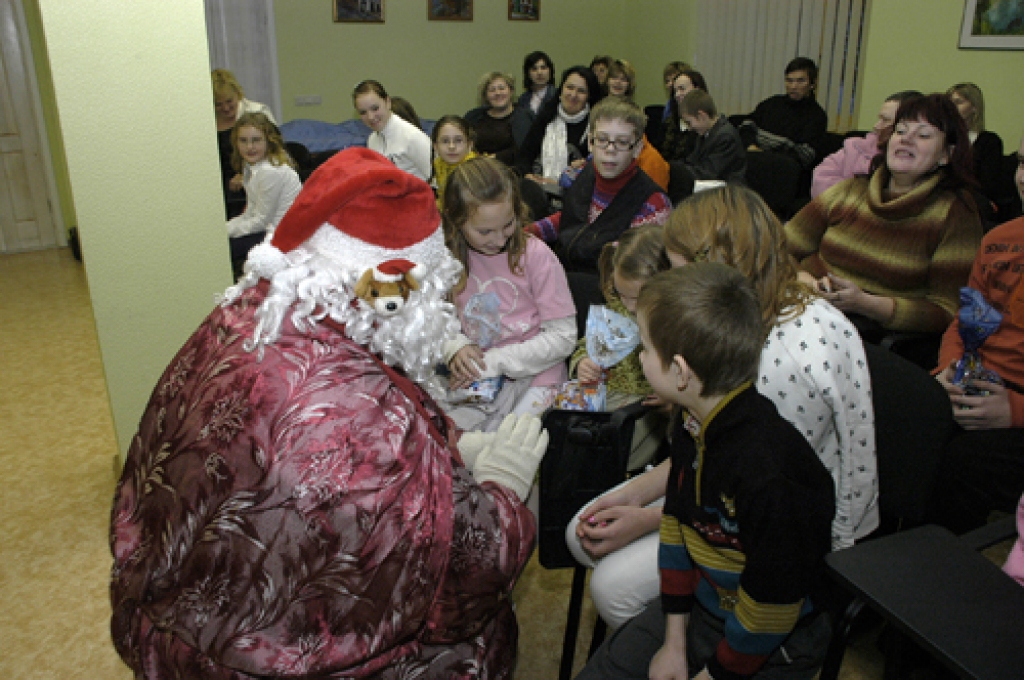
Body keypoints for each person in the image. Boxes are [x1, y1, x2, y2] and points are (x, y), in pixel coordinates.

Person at [110, 147, 548, 678]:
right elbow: (456, 578)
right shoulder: (362, 422)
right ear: (395, 286)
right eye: (430, 292)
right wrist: (503, 488)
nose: (436, 310)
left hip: (170, 624)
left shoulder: (245, 319)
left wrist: (447, 443)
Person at [567, 186, 876, 629]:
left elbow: (760, 497)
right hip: (712, 492)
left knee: (611, 588)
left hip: (761, 531)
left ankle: (695, 641)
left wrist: (648, 517)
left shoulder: (790, 359)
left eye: (675, 270)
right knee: (580, 531)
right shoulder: (727, 324)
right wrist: (632, 495)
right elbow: (701, 444)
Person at [578, 262, 836, 680]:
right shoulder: (691, 419)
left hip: (775, 641)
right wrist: (674, 641)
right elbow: (679, 524)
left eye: (644, 347)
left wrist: (715, 673)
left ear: (680, 371)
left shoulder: (771, 475)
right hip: (705, 607)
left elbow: (770, 609)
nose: (639, 355)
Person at [786, 93, 984, 347]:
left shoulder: (956, 214)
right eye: (900, 131)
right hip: (805, 308)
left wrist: (867, 304)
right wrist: (807, 282)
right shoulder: (849, 191)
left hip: (867, 338)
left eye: (923, 135)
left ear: (946, 154)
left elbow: (947, 311)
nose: (907, 139)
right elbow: (780, 248)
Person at [929, 134, 1024, 536]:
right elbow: (967, 323)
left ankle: (940, 574)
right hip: (979, 382)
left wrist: (1015, 411)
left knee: (961, 462)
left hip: (1016, 405)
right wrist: (951, 367)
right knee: (903, 421)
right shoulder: (1001, 239)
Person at [440, 156, 576, 433]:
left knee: (507, 446)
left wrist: (497, 361)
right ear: (456, 222)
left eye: (508, 225)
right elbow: (435, 319)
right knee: (443, 435)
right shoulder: (448, 259)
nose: (500, 239)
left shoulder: (536, 256)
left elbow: (563, 337)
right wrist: (455, 345)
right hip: (481, 378)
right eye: (485, 231)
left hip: (539, 375)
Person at [526, 97, 671, 275]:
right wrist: (527, 233)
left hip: (609, 287)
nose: (610, 149)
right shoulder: (583, 175)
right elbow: (570, 218)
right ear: (590, 142)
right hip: (565, 275)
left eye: (622, 142)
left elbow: (634, 271)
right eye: (602, 139)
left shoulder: (653, 204)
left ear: (637, 148)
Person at [570, 224, 671, 469]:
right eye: (621, 293)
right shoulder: (617, 309)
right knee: (564, 423)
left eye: (635, 298)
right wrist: (582, 363)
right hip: (603, 393)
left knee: (628, 436)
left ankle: (613, 473)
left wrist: (669, 397)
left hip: (644, 406)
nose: (629, 305)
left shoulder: (671, 323)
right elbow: (586, 345)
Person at [225, 112, 302, 278]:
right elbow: (250, 213)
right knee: (221, 243)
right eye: (243, 141)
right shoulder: (251, 168)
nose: (249, 147)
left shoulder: (270, 171)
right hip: (267, 230)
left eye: (256, 140)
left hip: (280, 237)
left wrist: (226, 232)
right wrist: (224, 229)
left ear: (268, 140)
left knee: (223, 250)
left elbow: (261, 221)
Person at [811, 90, 923, 197]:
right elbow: (821, 180)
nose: (876, 126)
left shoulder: (916, 160)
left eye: (885, 120)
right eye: (879, 118)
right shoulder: (856, 147)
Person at [736, 57, 828, 168]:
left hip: (783, 171)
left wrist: (764, 153)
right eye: (789, 80)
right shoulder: (771, 104)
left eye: (800, 81)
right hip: (752, 159)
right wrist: (751, 145)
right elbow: (747, 126)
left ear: (812, 84)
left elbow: (803, 155)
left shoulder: (816, 116)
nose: (793, 86)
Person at [516, 66, 601, 184]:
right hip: (539, 187)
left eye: (581, 91)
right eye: (569, 87)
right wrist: (529, 176)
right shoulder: (546, 117)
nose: (573, 94)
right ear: (561, 90)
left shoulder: (596, 124)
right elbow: (524, 157)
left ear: (589, 96)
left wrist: (558, 184)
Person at [212, 68, 277, 219]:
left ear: (238, 94)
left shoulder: (257, 112)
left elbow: (275, 152)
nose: (226, 108)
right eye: (218, 104)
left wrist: (246, 174)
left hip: (250, 181)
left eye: (229, 101)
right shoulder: (204, 121)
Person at [353, 79, 432, 181]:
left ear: (388, 102)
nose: (371, 117)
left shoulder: (412, 137)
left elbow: (435, 180)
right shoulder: (372, 140)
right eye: (363, 112)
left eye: (375, 108)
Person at [948, 82, 1005, 210]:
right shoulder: (944, 138)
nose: (952, 107)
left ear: (974, 107)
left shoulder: (989, 141)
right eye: (950, 103)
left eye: (958, 102)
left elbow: (989, 184)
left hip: (974, 204)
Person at [675, 89, 746, 184]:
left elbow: (708, 173)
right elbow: (691, 161)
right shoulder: (705, 132)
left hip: (728, 191)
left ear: (701, 116)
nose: (690, 127)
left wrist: (677, 172)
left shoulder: (726, 137)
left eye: (689, 122)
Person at [464, 71, 532, 167]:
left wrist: (494, 158)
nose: (498, 93)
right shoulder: (474, 117)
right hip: (478, 168)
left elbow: (524, 149)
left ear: (511, 91)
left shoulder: (524, 117)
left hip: (511, 170)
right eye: (492, 90)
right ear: (486, 96)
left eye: (502, 88)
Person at [660, 69, 709, 162]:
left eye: (682, 89)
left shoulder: (707, 126)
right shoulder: (669, 122)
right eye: (675, 90)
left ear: (697, 90)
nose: (677, 94)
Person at [431, 115, 478, 207]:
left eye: (458, 140)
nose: (451, 146)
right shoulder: (438, 165)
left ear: (469, 145)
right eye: (445, 141)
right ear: (435, 146)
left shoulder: (475, 171)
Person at [516, 50, 557, 119]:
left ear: (550, 71)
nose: (539, 72)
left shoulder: (558, 96)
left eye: (543, 68)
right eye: (534, 69)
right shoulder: (523, 99)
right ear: (528, 73)